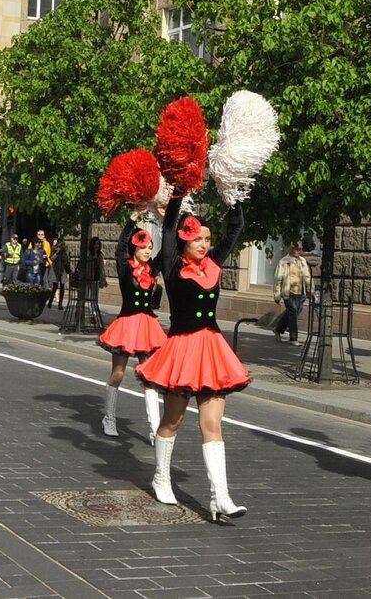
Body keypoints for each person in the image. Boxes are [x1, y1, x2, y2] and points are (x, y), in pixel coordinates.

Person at [134, 201, 251, 521]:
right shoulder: (172, 265)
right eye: (198, 238)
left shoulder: (212, 263)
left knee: (212, 425)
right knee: (173, 421)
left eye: (207, 239)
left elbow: (235, 229)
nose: (205, 243)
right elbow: (169, 228)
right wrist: (177, 195)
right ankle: (160, 477)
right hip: (182, 353)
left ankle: (220, 497)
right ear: (186, 240)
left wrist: (234, 195)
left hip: (212, 352)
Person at [97, 218, 167, 440]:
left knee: (149, 377)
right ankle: (108, 418)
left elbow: (168, 251)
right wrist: (130, 221)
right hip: (127, 326)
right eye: (143, 247)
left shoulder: (152, 269)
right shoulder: (125, 267)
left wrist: (169, 218)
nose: (147, 251)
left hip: (146, 327)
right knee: (118, 373)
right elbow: (119, 246)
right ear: (133, 249)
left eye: (149, 248)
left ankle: (155, 427)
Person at [272, 244, 311, 346]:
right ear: (291, 249)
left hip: (300, 292)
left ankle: (278, 329)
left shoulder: (302, 261)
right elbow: (278, 279)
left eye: (300, 249)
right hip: (288, 292)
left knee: (292, 312)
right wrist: (277, 294)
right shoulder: (284, 261)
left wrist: (311, 289)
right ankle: (293, 338)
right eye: (297, 249)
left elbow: (307, 276)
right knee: (293, 312)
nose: (299, 251)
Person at [47, 237, 71, 309]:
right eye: (60, 244)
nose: (62, 246)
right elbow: (52, 258)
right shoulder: (54, 249)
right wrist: (58, 252)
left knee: (62, 287)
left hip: (62, 271)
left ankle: (60, 303)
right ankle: (51, 301)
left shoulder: (65, 251)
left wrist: (68, 270)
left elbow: (67, 261)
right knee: (55, 287)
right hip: (55, 270)